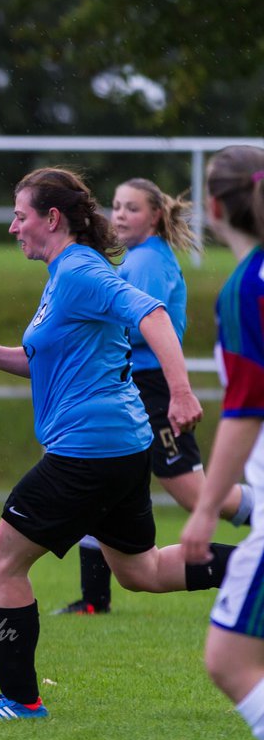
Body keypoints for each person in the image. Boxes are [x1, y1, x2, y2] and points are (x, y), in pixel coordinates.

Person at [0, 166, 236, 721]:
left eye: (19, 215)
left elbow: (152, 312)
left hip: (89, 448)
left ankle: (21, 703)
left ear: (52, 218)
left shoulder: (77, 270)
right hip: (117, 445)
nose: (12, 227)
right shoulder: (66, 273)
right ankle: (252, 569)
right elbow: (39, 360)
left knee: (0, 563)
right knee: (139, 571)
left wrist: (181, 391)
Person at [56, 178, 254, 616]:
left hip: (152, 386)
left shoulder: (147, 261)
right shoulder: (136, 258)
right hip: (133, 384)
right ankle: (94, 598)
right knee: (104, 482)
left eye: (132, 208)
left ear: (156, 216)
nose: (121, 215)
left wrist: (86, 328)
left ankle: (255, 550)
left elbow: (140, 322)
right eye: (117, 206)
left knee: (198, 494)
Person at [180, 145, 264, 740]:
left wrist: (206, 509)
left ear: (213, 208)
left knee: (229, 661)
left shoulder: (246, 288)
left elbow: (245, 409)